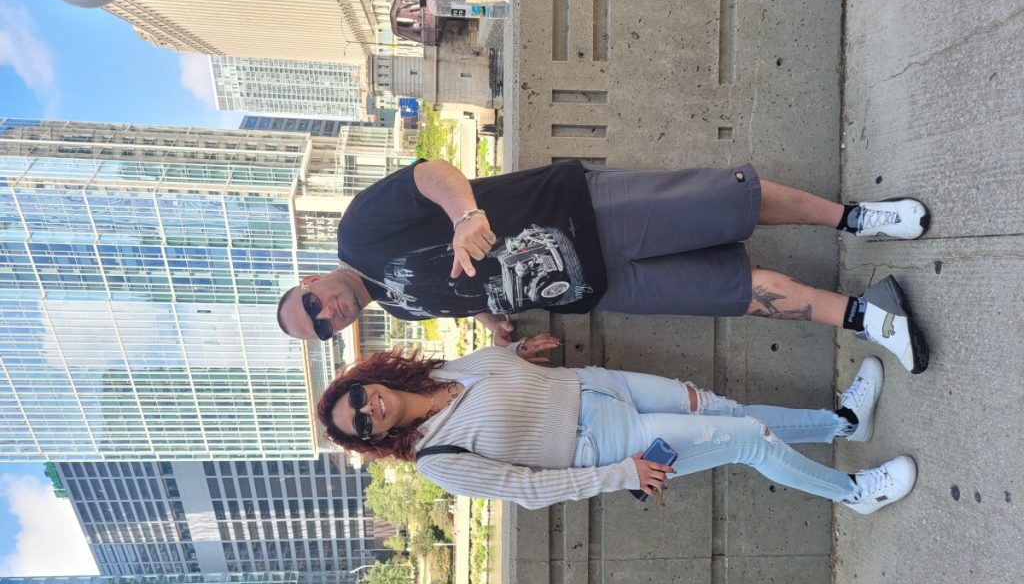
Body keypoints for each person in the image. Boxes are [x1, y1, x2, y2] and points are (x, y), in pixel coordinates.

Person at [278, 159, 930, 374]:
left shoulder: (358, 230)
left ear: (310, 281)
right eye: (324, 329)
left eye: (313, 306)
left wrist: (465, 215)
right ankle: (868, 316)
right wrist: (492, 325)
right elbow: (457, 283)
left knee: (731, 203)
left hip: (584, 210)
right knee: (737, 295)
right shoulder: (394, 307)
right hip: (594, 287)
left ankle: (858, 217)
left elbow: (431, 173)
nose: (328, 314)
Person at [316, 337, 915, 512]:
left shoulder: (438, 371)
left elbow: (500, 377)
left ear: (368, 380)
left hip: (604, 385)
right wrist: (619, 475)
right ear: (374, 440)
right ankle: (856, 493)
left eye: (359, 399)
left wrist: (516, 352)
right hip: (607, 445)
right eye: (361, 424)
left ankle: (842, 423)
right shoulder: (437, 461)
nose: (371, 410)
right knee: (747, 442)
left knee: (730, 412)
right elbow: (528, 489)